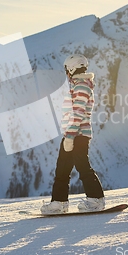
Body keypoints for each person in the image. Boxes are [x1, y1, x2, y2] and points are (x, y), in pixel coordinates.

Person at [40, 54, 105, 214]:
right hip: (72, 133)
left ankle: (96, 200)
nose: (66, 73)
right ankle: (59, 203)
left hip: (78, 135)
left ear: (71, 69)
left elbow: (78, 112)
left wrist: (70, 137)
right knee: (62, 169)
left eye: (66, 70)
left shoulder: (82, 85)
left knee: (82, 166)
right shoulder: (77, 85)